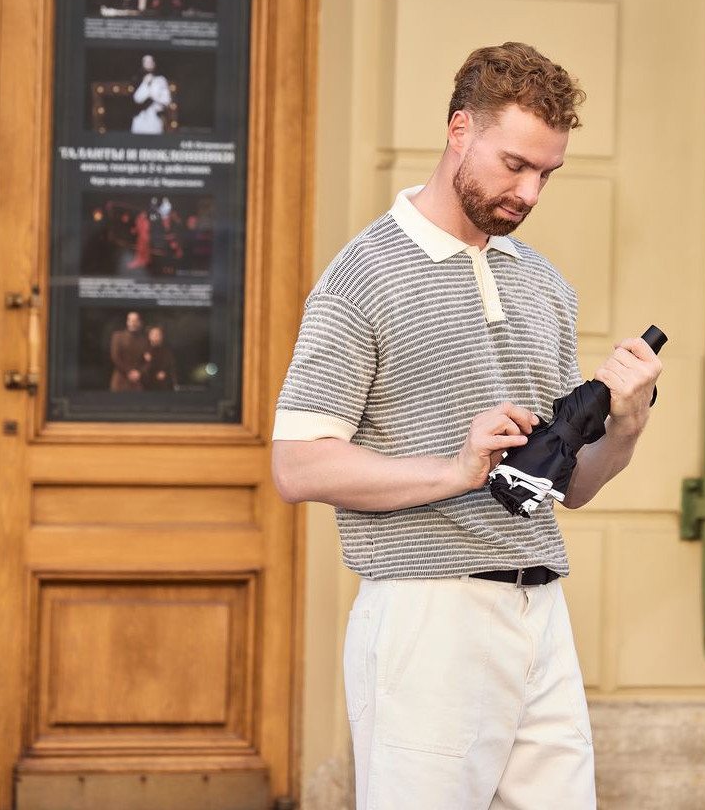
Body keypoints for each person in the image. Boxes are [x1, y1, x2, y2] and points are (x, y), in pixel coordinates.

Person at [271, 42, 662, 810]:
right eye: (515, 165)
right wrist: (455, 469)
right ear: (459, 130)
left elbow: (568, 488)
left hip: (540, 611)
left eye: (546, 173)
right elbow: (297, 466)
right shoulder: (363, 276)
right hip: (426, 614)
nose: (530, 192)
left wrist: (626, 425)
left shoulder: (544, 284)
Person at [131, 55, 171, 134]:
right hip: (140, 120)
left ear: (154, 63)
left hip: (155, 120)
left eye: (151, 61)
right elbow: (137, 99)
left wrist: (154, 97)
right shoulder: (136, 79)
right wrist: (144, 83)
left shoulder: (161, 80)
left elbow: (167, 101)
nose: (149, 64)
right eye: (146, 62)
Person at [109, 310, 149, 391]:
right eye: (130, 320)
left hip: (137, 381)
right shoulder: (118, 336)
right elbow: (115, 357)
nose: (133, 323)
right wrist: (129, 371)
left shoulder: (144, 341)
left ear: (139, 323)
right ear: (127, 322)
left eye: (135, 320)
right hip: (120, 379)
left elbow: (147, 360)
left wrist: (139, 372)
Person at [141, 325, 177, 391]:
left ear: (162, 336)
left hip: (163, 385)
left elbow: (170, 366)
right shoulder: (144, 350)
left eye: (158, 334)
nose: (155, 336)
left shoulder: (167, 351)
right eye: (153, 334)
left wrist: (165, 372)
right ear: (149, 336)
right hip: (147, 384)